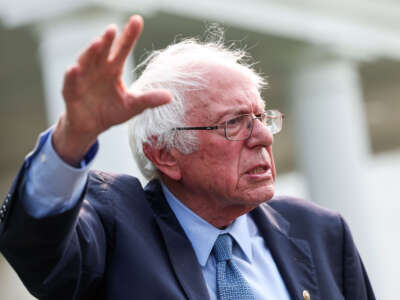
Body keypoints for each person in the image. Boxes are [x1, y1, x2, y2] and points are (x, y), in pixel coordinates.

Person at [0, 15, 375, 300]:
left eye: (261, 117)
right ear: (165, 155)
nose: (262, 136)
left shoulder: (322, 232)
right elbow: (35, 246)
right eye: (234, 123)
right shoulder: (114, 226)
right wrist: (73, 137)